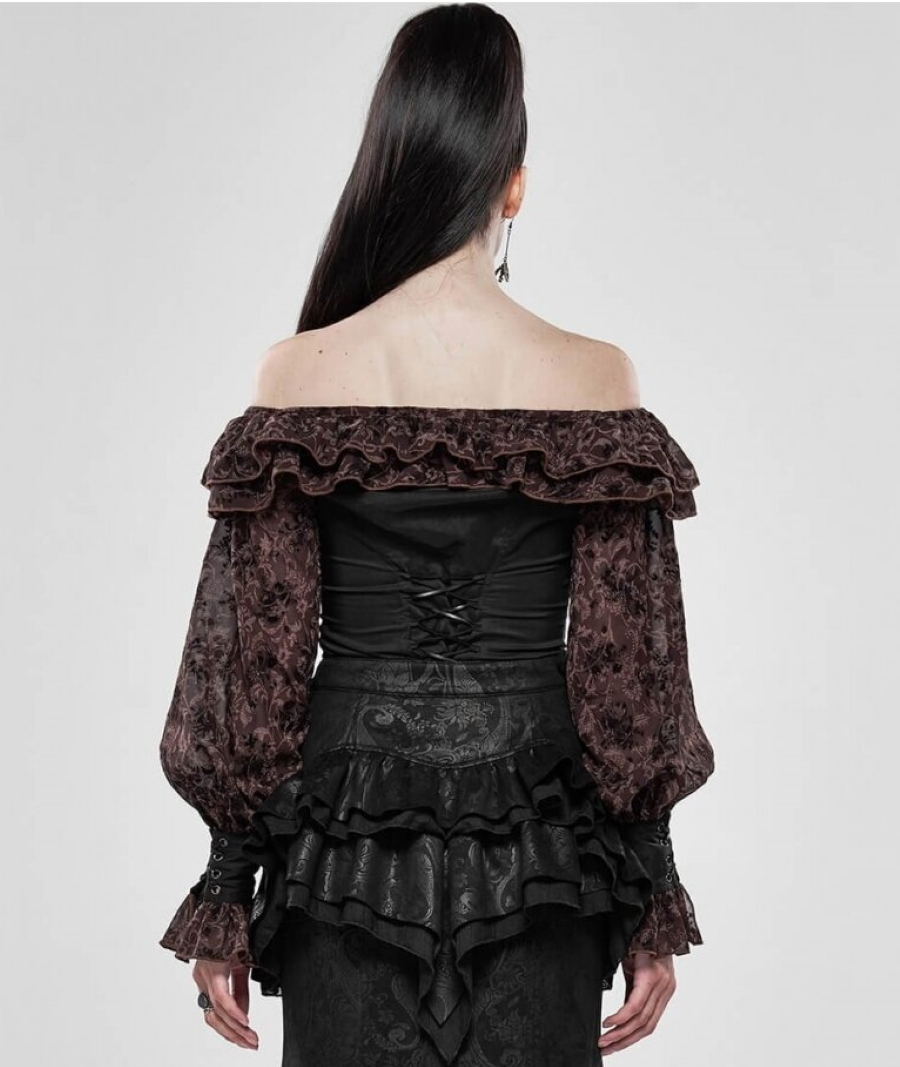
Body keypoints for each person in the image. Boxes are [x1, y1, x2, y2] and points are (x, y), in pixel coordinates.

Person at [157, 4, 716, 1065]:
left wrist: (229, 882)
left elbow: (255, 664)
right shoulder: (597, 382)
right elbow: (625, 671)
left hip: (343, 853)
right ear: (515, 182)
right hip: (541, 856)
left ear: (393, 160)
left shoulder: (299, 376)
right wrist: (649, 885)